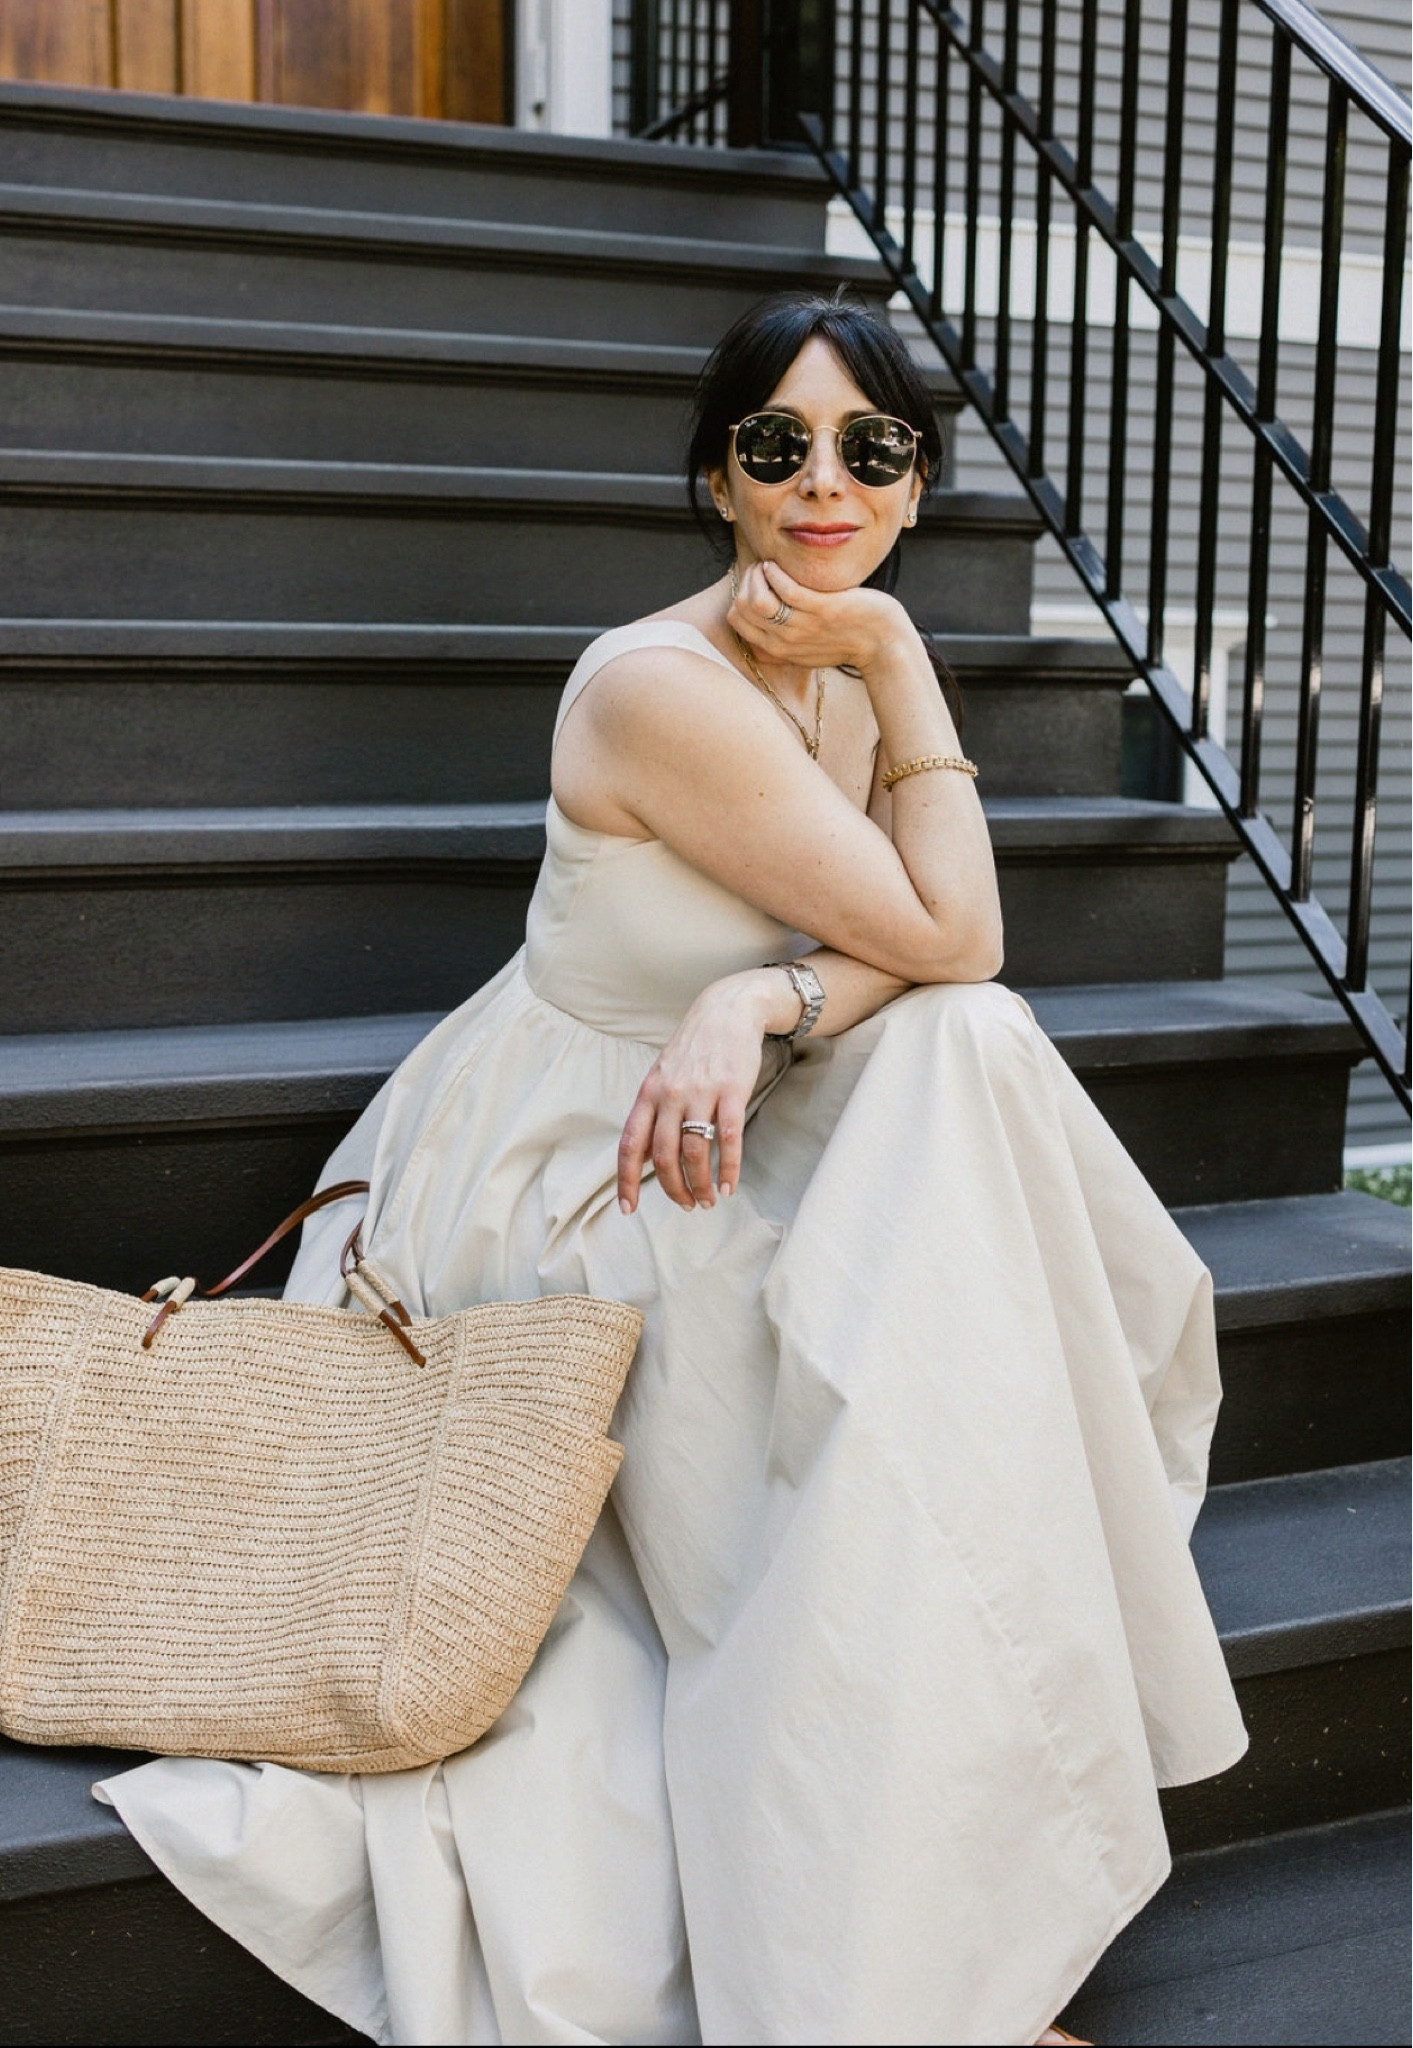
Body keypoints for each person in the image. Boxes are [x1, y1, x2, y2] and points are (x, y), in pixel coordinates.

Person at [96, 294, 1247, 2048]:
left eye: (869, 449)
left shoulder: (844, 661)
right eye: (776, 446)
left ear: (917, 486)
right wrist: (887, 719)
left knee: (970, 1064)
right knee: (890, 1321)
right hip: (560, 1167)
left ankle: (930, 1926)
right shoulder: (659, 689)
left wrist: (758, 990)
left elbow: (928, 963)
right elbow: (954, 923)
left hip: (728, 1109)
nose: (822, 484)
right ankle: (896, 1973)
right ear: (715, 476)